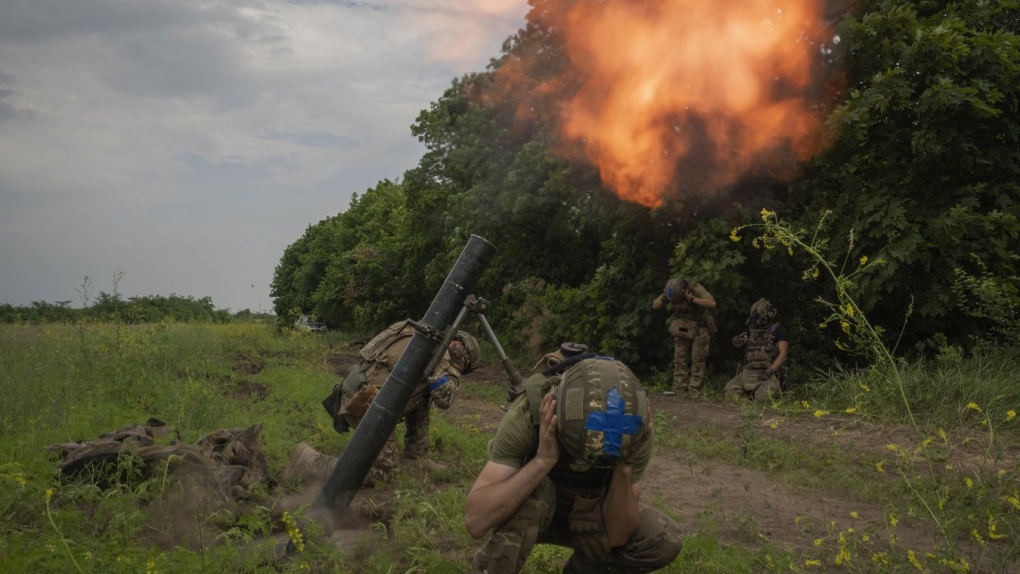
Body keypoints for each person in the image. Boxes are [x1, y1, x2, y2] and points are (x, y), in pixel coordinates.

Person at [464, 356, 682, 573]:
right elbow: (477, 520)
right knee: (535, 491)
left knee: (663, 538)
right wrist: (542, 461)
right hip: (535, 510)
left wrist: (624, 466)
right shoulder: (531, 413)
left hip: (594, 516)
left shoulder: (634, 431)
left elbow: (617, 536)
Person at [284, 321, 480, 485]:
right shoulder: (437, 351)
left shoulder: (420, 334)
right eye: (464, 363)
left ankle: (416, 456)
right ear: (457, 345)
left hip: (362, 392)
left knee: (423, 397)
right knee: (385, 473)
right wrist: (453, 371)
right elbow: (444, 398)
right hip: (366, 403)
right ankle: (309, 461)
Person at [652, 277, 717, 393]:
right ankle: (680, 388)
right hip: (683, 326)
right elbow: (654, 305)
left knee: (698, 358)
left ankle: (695, 389)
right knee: (679, 357)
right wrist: (663, 298)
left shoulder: (695, 289)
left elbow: (711, 303)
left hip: (700, 326)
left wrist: (692, 298)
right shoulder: (670, 290)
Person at [724, 298, 789, 402]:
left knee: (762, 398)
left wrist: (769, 371)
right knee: (730, 393)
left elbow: (783, 354)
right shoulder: (750, 330)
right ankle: (747, 401)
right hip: (747, 373)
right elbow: (739, 342)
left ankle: (753, 399)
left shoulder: (778, 330)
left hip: (768, 374)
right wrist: (737, 341)